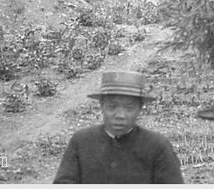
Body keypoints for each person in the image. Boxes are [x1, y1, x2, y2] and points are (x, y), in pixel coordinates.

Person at [53, 71, 184, 184]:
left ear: (140, 108)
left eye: (129, 107)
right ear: (102, 105)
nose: (120, 115)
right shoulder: (82, 141)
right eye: (112, 106)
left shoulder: (158, 146)